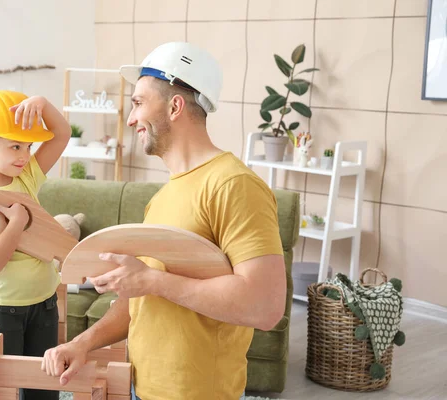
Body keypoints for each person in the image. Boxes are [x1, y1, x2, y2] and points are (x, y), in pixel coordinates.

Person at [41, 42, 287, 400]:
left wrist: (153, 280)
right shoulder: (162, 198)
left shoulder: (233, 184)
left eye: (139, 102)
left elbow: (265, 306)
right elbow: (140, 297)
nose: (130, 118)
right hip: (144, 389)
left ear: (175, 106)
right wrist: (82, 344)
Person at [0, 90, 71, 400]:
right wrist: (17, 224)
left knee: (44, 391)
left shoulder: (26, 177)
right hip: (1, 311)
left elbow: (61, 134)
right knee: (0, 391)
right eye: (15, 146)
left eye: (28, 146)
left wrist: (43, 103)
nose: (24, 155)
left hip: (45, 304)